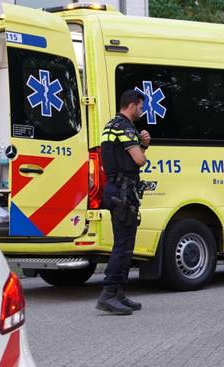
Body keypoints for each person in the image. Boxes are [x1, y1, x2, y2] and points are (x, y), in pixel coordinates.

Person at [96, 90, 151, 315]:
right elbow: (138, 160)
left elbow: (119, 156)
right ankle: (108, 294)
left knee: (125, 245)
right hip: (123, 191)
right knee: (122, 246)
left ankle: (119, 294)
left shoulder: (111, 125)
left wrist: (142, 143)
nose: (141, 110)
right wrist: (144, 147)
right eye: (140, 106)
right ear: (132, 105)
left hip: (115, 189)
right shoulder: (126, 127)